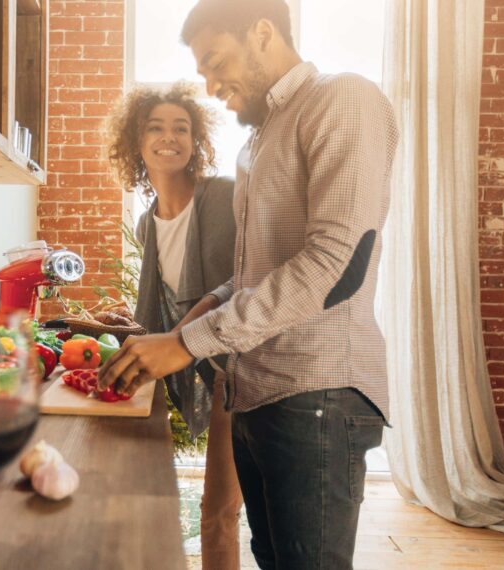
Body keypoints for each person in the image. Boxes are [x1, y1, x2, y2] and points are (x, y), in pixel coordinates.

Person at [99, 1, 399, 568]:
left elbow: (336, 266)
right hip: (257, 392)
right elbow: (254, 275)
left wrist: (186, 343)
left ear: (263, 32)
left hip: (317, 394)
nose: (211, 86)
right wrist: (193, 321)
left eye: (216, 61)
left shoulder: (342, 98)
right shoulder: (258, 140)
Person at [105, 83, 243, 570]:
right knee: (216, 513)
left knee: (219, 513)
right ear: (136, 142)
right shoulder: (148, 223)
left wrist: (178, 336)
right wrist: (128, 322)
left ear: (196, 140)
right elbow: (163, 303)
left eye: (181, 128)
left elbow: (243, 282)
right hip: (212, 366)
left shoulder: (223, 196)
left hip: (245, 370)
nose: (170, 137)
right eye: (156, 128)